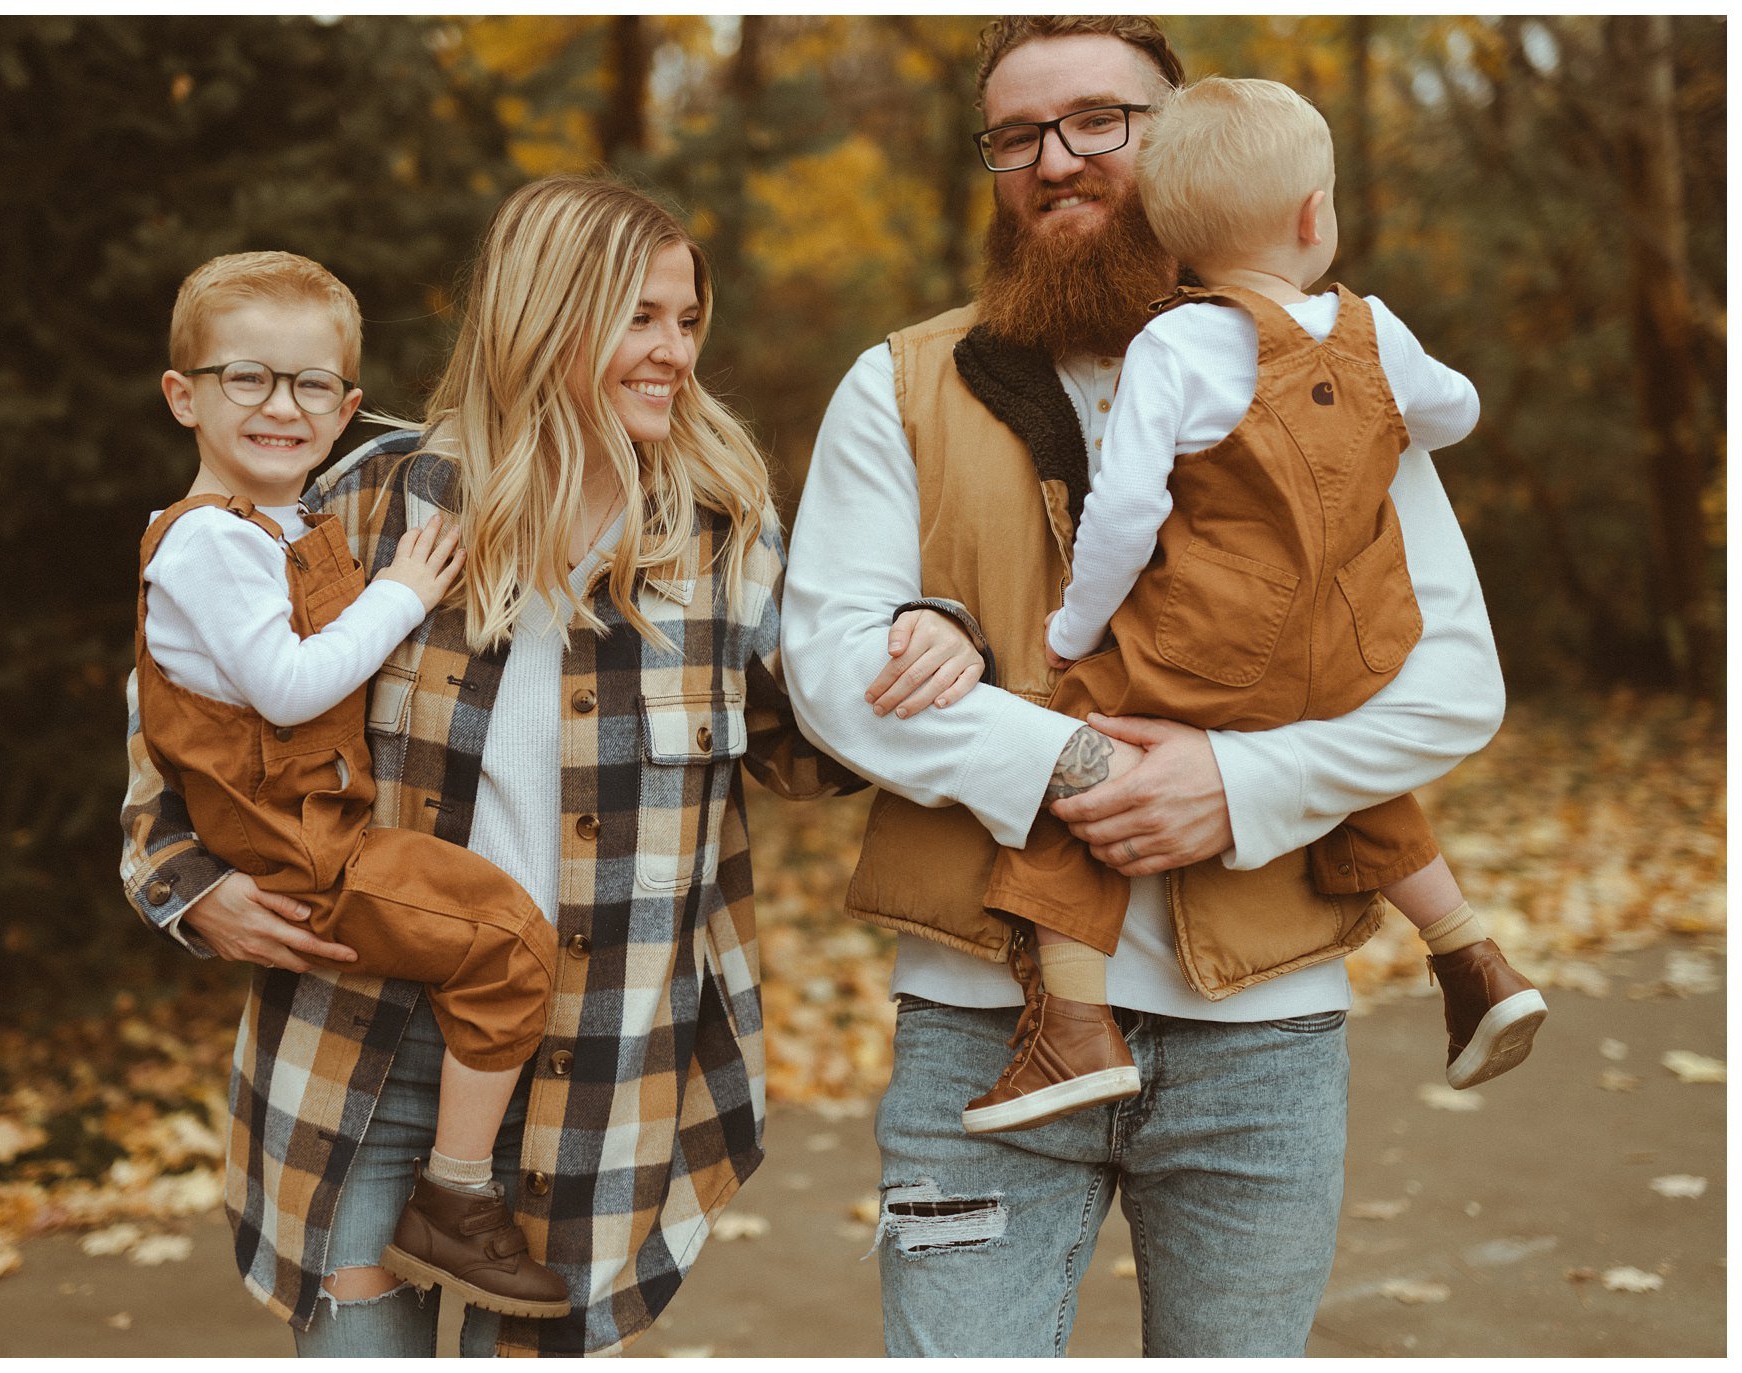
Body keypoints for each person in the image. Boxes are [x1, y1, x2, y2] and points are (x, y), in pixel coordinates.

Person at [119, 178, 982, 1356]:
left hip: (604, 1051)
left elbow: (813, 736)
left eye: (686, 320)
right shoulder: (376, 503)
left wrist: (929, 629)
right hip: (367, 1034)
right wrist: (184, 880)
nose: (673, 351)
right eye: (638, 317)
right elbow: (188, 710)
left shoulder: (723, 533)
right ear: (544, 314)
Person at [782, 16, 1505, 1358]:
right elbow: (830, 667)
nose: (1056, 159)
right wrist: (1082, 768)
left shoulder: (1337, 373)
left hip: (1263, 1044)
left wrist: (1236, 787)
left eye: (1099, 120)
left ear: (1179, 142)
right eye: (1018, 135)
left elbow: (1454, 684)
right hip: (979, 1037)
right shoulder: (900, 386)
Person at [975, 76, 1545, 1132]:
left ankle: (1073, 1028)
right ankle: (1470, 956)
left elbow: (1123, 514)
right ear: (1311, 216)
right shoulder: (1377, 333)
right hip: (1356, 646)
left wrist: (1075, 630)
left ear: (1169, 237)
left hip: (1216, 645)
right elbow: (1454, 411)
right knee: (1342, 762)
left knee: (1070, 742)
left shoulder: (1176, 345)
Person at [137, 249, 568, 1319]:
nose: (281, 405)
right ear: (182, 393)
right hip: (304, 847)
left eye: (311, 384)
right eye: (248, 376)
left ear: (347, 405)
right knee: (509, 943)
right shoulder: (210, 544)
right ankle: (453, 1194)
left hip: (318, 824)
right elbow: (284, 690)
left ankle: (450, 1191)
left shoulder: (290, 519)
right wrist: (401, 589)